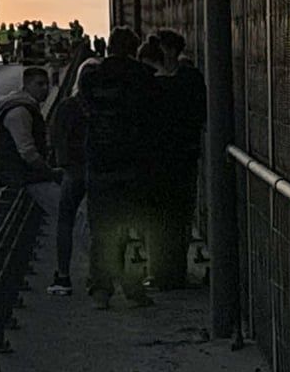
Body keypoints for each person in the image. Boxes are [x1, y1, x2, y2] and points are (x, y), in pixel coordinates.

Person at [78, 26, 158, 307]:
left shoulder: (91, 78)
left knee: (101, 228)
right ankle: (133, 287)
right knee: (133, 227)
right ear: (134, 49)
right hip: (135, 164)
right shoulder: (144, 78)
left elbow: (84, 113)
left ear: (109, 46)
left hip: (99, 161)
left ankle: (101, 289)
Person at [145, 28, 207, 290]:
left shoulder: (153, 84)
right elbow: (200, 113)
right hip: (185, 157)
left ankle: (160, 273)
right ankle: (176, 272)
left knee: (158, 218)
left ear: (168, 51)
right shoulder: (192, 79)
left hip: (157, 159)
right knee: (180, 217)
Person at [47, 63, 91, 295]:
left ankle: (63, 275)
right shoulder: (102, 106)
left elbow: (57, 138)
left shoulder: (68, 106)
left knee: (65, 221)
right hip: (98, 169)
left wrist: (61, 164)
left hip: (73, 170)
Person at [0, 64, 53, 193]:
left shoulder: (28, 108)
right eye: (40, 84)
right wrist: (47, 170)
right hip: (21, 175)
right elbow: (26, 150)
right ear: (26, 85)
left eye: (47, 84)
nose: (45, 88)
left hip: (22, 174)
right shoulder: (20, 111)